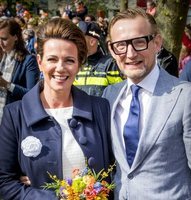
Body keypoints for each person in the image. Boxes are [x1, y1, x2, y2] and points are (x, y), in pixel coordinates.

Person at [0, 17, 113, 200]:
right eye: (52, 59)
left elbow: (113, 171)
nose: (60, 68)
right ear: (39, 62)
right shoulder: (15, 114)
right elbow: (5, 183)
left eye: (69, 60)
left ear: (78, 65)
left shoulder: (100, 109)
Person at [103, 8, 191, 199]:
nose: (130, 54)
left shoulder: (187, 96)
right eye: (121, 45)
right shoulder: (110, 95)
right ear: (112, 50)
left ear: (157, 43)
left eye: (139, 42)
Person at [0, 18, 39, 123]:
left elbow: (32, 94)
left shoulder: (28, 60)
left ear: (16, 37)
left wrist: (7, 85)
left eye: (4, 39)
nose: (0, 43)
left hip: (13, 120)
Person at [74, 21, 124, 96]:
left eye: (78, 38)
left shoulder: (110, 64)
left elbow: (119, 95)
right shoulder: (74, 63)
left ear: (92, 41)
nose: (74, 41)